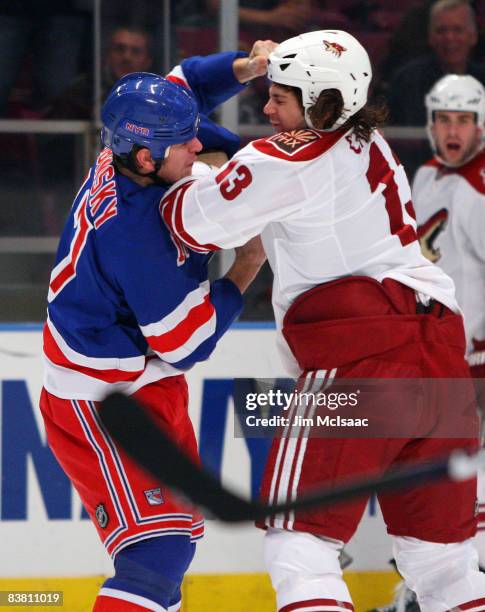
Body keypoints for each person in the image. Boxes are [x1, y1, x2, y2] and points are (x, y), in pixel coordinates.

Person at [160, 29, 485, 609]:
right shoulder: (371, 139)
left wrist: (196, 167)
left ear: (323, 105)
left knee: (300, 543)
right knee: (444, 566)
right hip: (438, 354)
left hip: (364, 357)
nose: (265, 108)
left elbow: (189, 222)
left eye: (279, 98)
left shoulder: (290, 157)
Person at [39, 44, 274, 612]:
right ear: (144, 159)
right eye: (183, 142)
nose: (197, 144)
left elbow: (185, 78)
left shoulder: (130, 135)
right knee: (157, 553)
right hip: (102, 401)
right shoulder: (138, 237)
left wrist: (247, 67)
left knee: (176, 542)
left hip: (137, 379)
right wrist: (246, 266)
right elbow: (187, 342)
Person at [387, 0, 485, 126]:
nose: (449, 37)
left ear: (473, 36)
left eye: (458, 30)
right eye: (441, 30)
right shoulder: (407, 81)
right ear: (430, 37)